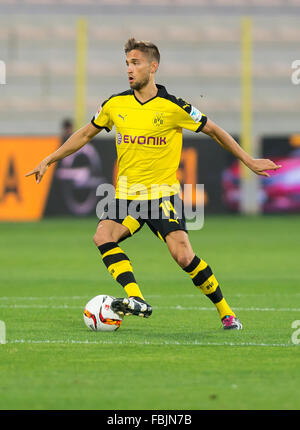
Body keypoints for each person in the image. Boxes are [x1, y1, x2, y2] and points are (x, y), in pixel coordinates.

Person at [26, 38, 281, 329]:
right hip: (126, 195)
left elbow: (213, 130)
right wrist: (49, 159)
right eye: (127, 64)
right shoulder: (115, 104)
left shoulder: (173, 106)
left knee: (184, 256)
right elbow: (85, 134)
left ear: (153, 66)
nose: (129, 70)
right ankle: (136, 298)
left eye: (135, 63)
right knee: (102, 235)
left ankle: (226, 313)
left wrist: (248, 160)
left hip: (162, 196)